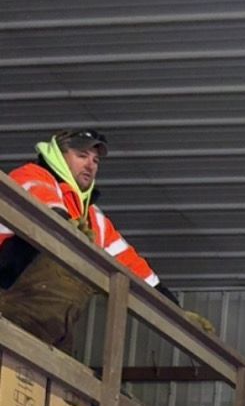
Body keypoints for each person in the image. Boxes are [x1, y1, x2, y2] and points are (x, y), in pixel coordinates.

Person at [0, 128, 159, 349]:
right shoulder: (33, 176)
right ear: (59, 156)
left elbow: (132, 266)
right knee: (67, 253)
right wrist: (70, 230)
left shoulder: (93, 218)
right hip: (9, 296)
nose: (90, 165)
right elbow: (48, 212)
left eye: (95, 160)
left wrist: (176, 309)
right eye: (82, 156)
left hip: (47, 327)